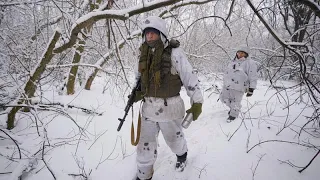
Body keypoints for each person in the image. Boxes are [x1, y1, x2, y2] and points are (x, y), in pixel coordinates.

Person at [133, 16, 204, 180]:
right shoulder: (143, 53)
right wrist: (136, 93)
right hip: (149, 107)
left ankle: (182, 156)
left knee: (174, 140)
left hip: (169, 108)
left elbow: (190, 78)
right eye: (147, 34)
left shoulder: (175, 53)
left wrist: (197, 102)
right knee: (144, 145)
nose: (149, 37)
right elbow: (139, 77)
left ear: (162, 34)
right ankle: (144, 174)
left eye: (153, 33)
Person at [219, 46, 258, 122]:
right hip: (227, 85)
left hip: (239, 87)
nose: (240, 54)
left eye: (242, 53)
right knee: (223, 98)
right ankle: (233, 109)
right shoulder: (233, 61)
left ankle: (233, 116)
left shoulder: (250, 63)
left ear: (246, 54)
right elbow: (227, 72)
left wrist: (251, 88)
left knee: (235, 102)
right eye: (239, 52)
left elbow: (253, 76)